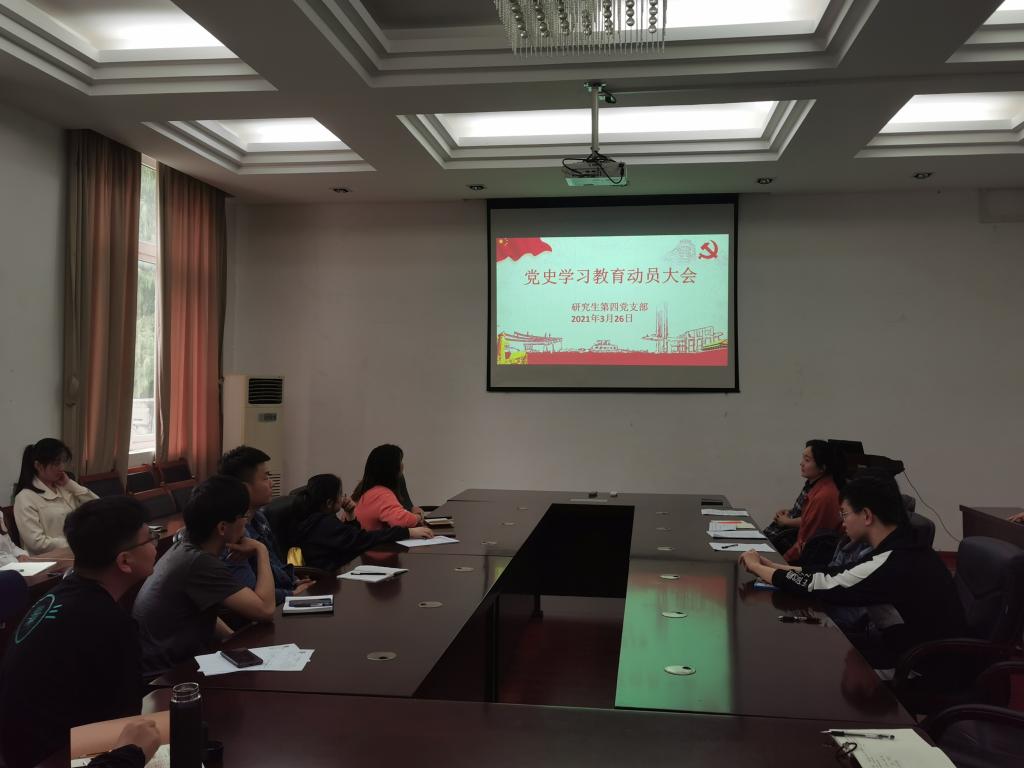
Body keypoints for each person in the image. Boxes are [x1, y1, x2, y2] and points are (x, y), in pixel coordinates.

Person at [740, 473, 965, 668]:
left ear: (866, 516)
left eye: (845, 514)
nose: (842, 522)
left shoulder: (893, 561)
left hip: (922, 668)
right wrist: (772, 566)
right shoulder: (901, 546)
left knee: (811, 662)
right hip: (906, 648)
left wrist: (757, 568)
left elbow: (821, 584)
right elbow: (838, 573)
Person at [0, 496, 157, 768]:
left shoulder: (61, 594)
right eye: (150, 538)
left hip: (21, 748)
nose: (155, 545)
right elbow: (126, 726)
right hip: (55, 756)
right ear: (124, 561)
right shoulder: (108, 623)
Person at [132, 475, 277, 677]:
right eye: (243, 517)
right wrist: (261, 550)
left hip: (173, 664)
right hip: (169, 677)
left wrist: (232, 639)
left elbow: (199, 609)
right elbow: (266, 609)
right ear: (222, 527)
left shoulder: (185, 546)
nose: (246, 523)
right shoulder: (199, 562)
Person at [218, 446, 312, 604]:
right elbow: (251, 593)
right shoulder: (232, 532)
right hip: (262, 609)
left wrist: (295, 581)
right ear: (244, 488)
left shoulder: (259, 519)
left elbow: (275, 564)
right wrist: (291, 594)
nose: (272, 483)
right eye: (266, 477)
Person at [288, 474, 433, 571]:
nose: (344, 498)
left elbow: (351, 538)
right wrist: (407, 532)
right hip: (328, 581)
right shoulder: (324, 525)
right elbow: (362, 538)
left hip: (338, 572)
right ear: (329, 503)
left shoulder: (316, 519)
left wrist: (351, 514)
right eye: (340, 494)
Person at [762, 439, 843, 563]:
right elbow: (807, 514)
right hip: (788, 539)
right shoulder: (815, 485)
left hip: (798, 554)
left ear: (822, 468)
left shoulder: (824, 496)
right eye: (803, 459)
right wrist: (790, 512)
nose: (801, 463)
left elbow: (805, 539)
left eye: (807, 460)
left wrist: (780, 563)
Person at [12, 438, 98, 554]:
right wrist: (76, 542)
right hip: (49, 558)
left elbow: (98, 507)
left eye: (63, 462)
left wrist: (70, 484)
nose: (62, 468)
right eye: (56, 463)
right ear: (38, 465)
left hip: (78, 551)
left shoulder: (65, 487)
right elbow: (37, 542)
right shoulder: (25, 498)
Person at [353, 444, 426, 532]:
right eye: (400, 461)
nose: (403, 465)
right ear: (391, 468)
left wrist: (411, 511)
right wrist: (418, 516)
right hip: (376, 541)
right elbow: (402, 521)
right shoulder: (381, 494)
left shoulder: (368, 491)